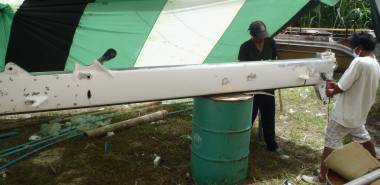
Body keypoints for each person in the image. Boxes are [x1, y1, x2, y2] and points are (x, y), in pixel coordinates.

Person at [302, 32, 380, 184]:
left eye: (354, 47)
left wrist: (331, 91)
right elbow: (355, 84)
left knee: (329, 145)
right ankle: (376, 162)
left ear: (361, 48)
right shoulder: (375, 63)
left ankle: (321, 178)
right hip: (359, 112)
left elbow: (342, 86)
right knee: (364, 138)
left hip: (344, 114)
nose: (353, 50)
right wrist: (335, 85)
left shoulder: (359, 62)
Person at [238, 21, 288, 158]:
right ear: (252, 35)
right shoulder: (245, 47)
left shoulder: (270, 42)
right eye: (260, 35)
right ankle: (241, 146)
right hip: (252, 89)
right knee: (248, 119)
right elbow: (242, 69)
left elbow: (276, 60)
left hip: (267, 88)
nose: (262, 38)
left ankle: (272, 145)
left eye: (263, 35)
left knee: (268, 118)